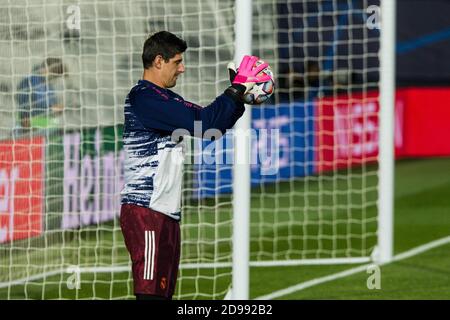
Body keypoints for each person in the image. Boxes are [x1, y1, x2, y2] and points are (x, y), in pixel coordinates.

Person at [119, 31, 270, 300]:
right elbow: (206, 124)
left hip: (165, 213)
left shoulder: (165, 98)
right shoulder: (144, 97)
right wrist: (235, 90)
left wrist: (238, 96)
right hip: (146, 211)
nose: (183, 68)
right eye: (177, 62)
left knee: (162, 295)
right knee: (150, 295)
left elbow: (212, 128)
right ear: (158, 61)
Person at [15, 57, 66, 134]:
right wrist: (51, 109)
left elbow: (53, 105)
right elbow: (24, 104)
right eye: (54, 74)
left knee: (59, 126)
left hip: (43, 125)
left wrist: (57, 109)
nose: (54, 78)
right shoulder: (29, 81)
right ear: (46, 69)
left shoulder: (48, 85)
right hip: (28, 127)